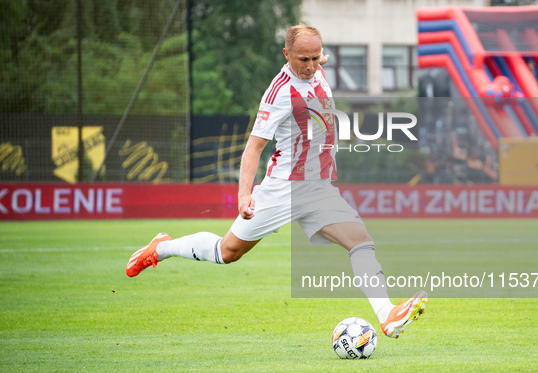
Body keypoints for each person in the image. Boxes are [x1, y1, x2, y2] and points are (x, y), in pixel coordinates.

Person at [126, 24, 427, 339]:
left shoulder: (317, 70)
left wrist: (317, 61)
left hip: (319, 188)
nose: (310, 66)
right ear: (287, 55)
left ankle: (387, 315)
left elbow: (316, 63)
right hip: (284, 189)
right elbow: (253, 148)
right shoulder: (280, 92)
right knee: (227, 251)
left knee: (360, 241)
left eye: (315, 58)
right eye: (302, 60)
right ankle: (162, 248)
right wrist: (244, 196)